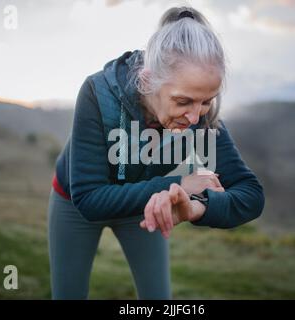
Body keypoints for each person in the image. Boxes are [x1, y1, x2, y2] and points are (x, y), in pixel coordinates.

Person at [47, 6, 264, 300]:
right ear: (148, 80)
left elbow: (251, 194)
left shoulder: (201, 117)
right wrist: (181, 183)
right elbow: (88, 199)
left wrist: (198, 207)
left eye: (206, 102)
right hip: (73, 203)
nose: (194, 117)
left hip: (146, 207)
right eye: (183, 101)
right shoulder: (96, 92)